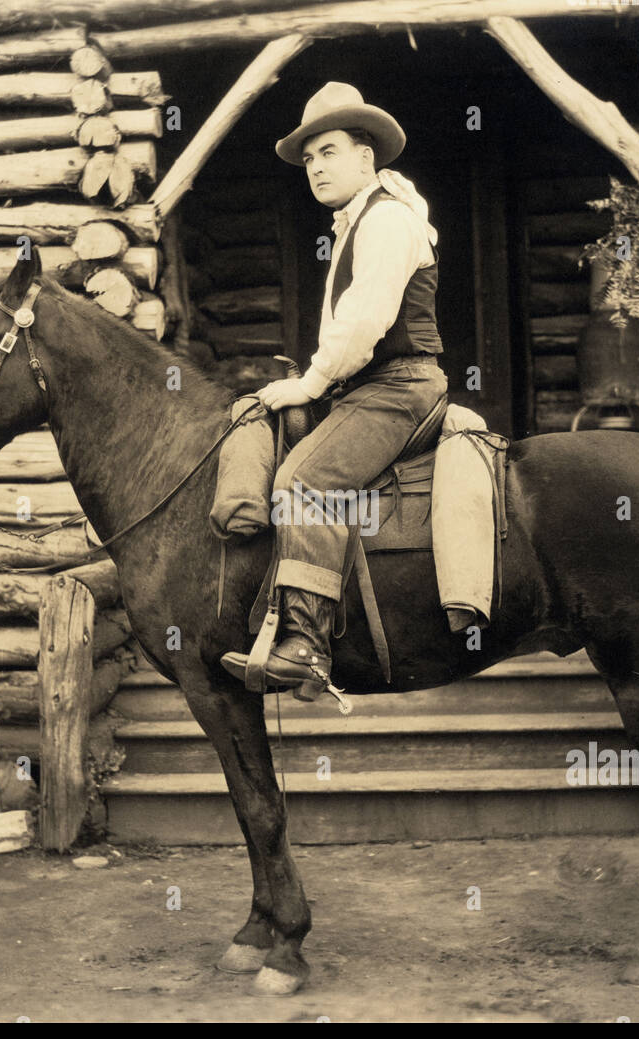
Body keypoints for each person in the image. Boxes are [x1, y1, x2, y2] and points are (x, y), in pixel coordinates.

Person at [222, 82, 447, 698]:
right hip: (372, 384)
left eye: (328, 152)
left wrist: (312, 382)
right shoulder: (356, 220)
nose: (315, 168)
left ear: (366, 155)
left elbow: (365, 322)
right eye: (309, 158)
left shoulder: (388, 221)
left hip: (399, 385)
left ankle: (307, 646)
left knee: (305, 481)